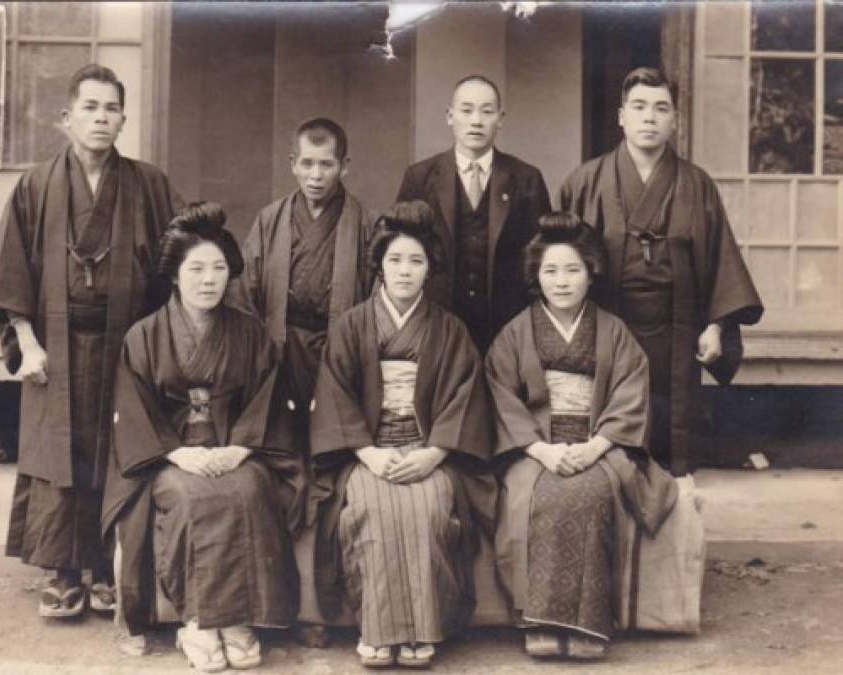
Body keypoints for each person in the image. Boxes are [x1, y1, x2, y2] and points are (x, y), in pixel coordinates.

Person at [0, 64, 181, 618]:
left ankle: (109, 567)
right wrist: (26, 340)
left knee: (119, 451)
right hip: (55, 344)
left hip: (126, 344)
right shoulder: (36, 185)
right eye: (90, 107)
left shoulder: (149, 184)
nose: (101, 118)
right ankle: (64, 573)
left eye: (111, 108)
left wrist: (161, 346)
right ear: (67, 118)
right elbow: (12, 269)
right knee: (58, 454)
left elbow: (175, 267)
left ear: (124, 119)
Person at [102, 203, 303, 671]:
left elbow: (266, 400)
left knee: (249, 489)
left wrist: (238, 448)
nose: (209, 279)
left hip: (236, 449)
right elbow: (134, 411)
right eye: (196, 269)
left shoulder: (250, 334)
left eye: (217, 268)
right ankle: (198, 622)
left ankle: (235, 620)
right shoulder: (144, 336)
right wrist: (177, 455)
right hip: (168, 460)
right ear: (174, 275)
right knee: (192, 499)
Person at [309, 201, 496, 669]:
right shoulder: (352, 325)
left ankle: (420, 631)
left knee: (429, 507)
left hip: (429, 449)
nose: (405, 271)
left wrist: (433, 454)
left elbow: (464, 397)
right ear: (379, 265)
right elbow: (335, 395)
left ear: (430, 268)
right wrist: (369, 454)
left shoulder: (450, 329)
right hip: (367, 451)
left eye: (416, 261)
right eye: (395, 260)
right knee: (371, 507)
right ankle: (378, 630)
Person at [485, 213, 678, 660]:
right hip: (534, 446)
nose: (562, 281)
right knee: (543, 495)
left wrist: (594, 446)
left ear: (591, 272)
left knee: (591, 493)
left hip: (599, 444)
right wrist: (542, 450)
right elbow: (500, 397)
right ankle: (540, 621)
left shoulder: (614, 331)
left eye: (572, 269)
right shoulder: (515, 333)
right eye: (550, 271)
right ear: (536, 276)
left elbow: (631, 393)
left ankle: (589, 624)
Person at [558, 67, 763, 475]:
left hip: (677, 329)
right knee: (607, 431)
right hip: (606, 327)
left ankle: (669, 516)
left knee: (670, 442)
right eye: (639, 107)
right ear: (621, 116)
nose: (649, 117)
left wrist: (717, 326)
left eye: (660, 108)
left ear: (674, 121)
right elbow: (559, 267)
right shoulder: (585, 181)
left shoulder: (697, 184)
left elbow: (721, 258)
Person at [226, 116, 377, 646]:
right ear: (292, 163)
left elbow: (374, 305)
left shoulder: (364, 224)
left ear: (345, 166)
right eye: (306, 163)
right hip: (280, 357)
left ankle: (327, 610)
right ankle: (279, 604)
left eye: (327, 164)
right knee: (284, 470)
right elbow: (244, 297)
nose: (316, 175)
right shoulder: (269, 221)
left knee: (332, 474)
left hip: (340, 360)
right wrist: (264, 357)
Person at [396, 74, 551, 352]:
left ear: (500, 119)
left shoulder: (526, 179)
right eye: (466, 110)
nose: (476, 121)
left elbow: (541, 259)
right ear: (450, 116)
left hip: (506, 325)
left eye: (487, 111)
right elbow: (397, 251)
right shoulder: (420, 177)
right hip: (436, 321)